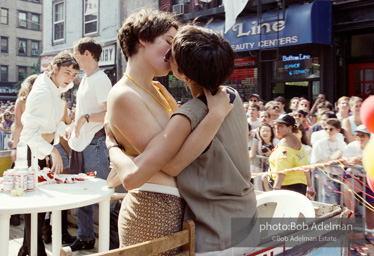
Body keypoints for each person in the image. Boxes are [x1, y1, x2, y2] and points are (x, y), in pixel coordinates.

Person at [106, 23, 259, 254]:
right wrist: (173, 108)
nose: (169, 55)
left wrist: (111, 144)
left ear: (182, 74)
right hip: (246, 220)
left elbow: (170, 165)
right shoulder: (232, 97)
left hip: (215, 233)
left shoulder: (188, 115)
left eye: (172, 50)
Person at [18, 50, 78, 256]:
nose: (70, 79)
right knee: (35, 201)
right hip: (32, 152)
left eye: (73, 75)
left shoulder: (55, 85)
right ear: (54, 69)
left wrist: (65, 130)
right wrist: (53, 150)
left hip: (42, 150)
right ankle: (34, 249)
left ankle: (29, 247)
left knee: (40, 203)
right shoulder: (42, 93)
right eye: (67, 73)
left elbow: (53, 121)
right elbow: (27, 134)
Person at [64, 37, 112, 252]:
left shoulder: (101, 79)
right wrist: (74, 123)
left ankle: (112, 243)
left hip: (95, 144)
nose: (74, 58)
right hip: (82, 143)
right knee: (82, 193)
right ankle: (85, 237)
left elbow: (110, 113)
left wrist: (85, 117)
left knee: (101, 195)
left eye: (76, 54)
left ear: (87, 54)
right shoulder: (85, 79)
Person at [341, 125, 374, 241]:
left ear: (369, 137)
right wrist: (350, 161)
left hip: (370, 180)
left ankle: (369, 234)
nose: (359, 138)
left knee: (371, 207)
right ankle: (352, 223)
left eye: (363, 135)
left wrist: (363, 160)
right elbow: (343, 159)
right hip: (356, 178)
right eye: (357, 135)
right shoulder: (352, 146)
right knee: (348, 188)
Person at [269, 114, 314, 196]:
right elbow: (304, 166)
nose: (277, 128)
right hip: (300, 185)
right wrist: (310, 186)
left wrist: (276, 189)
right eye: (276, 125)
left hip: (287, 186)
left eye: (281, 126)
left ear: (289, 128)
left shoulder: (284, 144)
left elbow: (282, 169)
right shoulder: (296, 141)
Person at [311, 118, 347, 204]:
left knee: (339, 203)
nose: (328, 131)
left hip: (339, 176)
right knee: (331, 202)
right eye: (326, 129)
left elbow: (345, 161)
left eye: (331, 129)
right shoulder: (319, 144)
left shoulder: (342, 144)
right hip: (325, 176)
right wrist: (331, 159)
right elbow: (314, 163)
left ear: (338, 130)